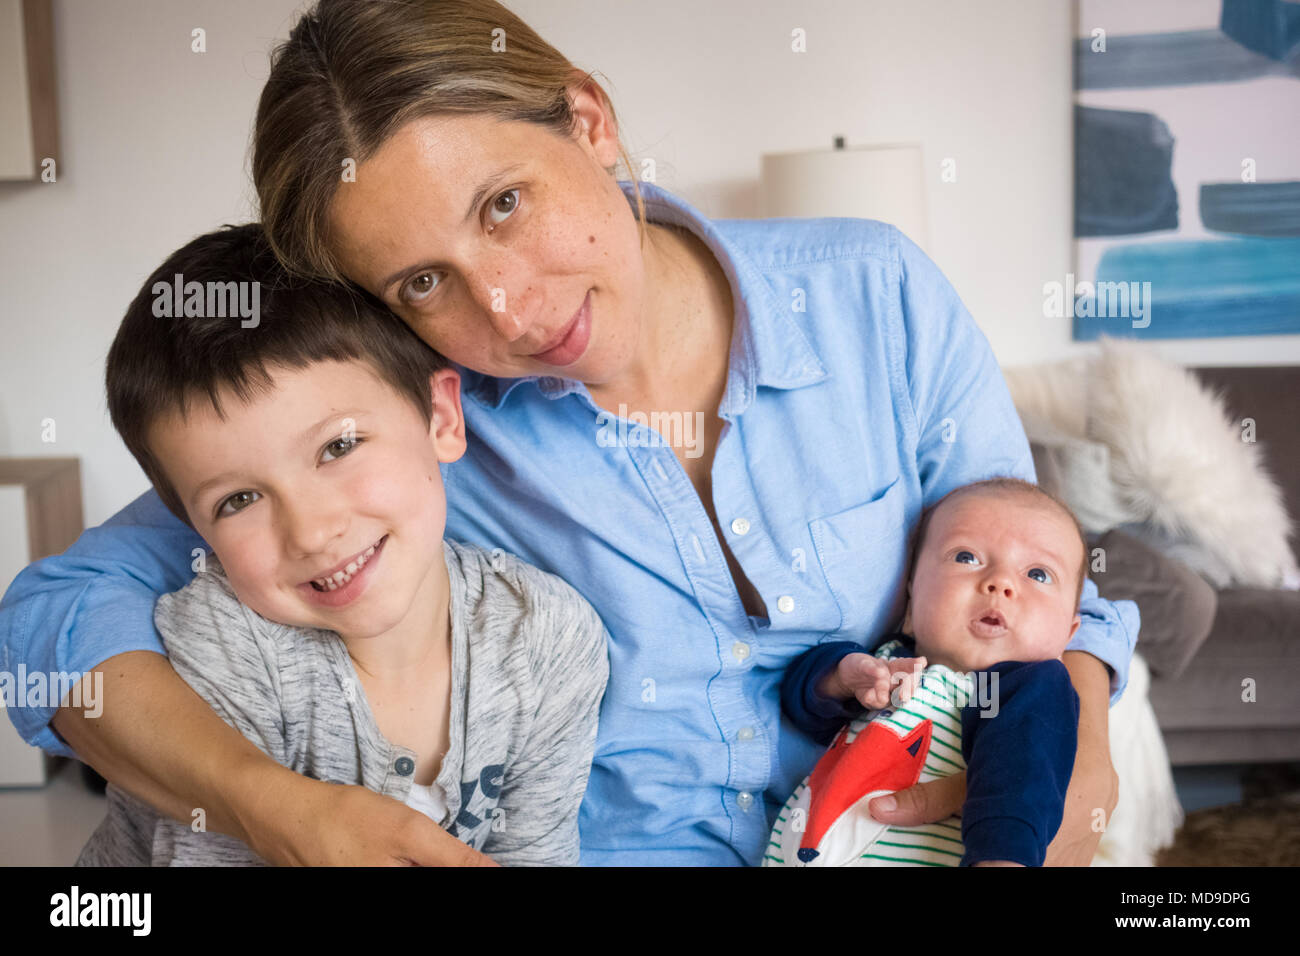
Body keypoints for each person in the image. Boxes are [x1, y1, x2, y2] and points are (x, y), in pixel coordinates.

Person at [0, 0, 1138, 866]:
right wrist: (277, 808)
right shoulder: (405, 424)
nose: (504, 309)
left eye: (504, 204)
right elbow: (49, 628)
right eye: (421, 280)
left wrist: (1059, 778)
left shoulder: (873, 294)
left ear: (588, 122)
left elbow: (1045, 576)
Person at [77, 223, 608, 866]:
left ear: (440, 417)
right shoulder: (221, 652)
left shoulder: (548, 638)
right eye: (238, 500)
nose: (311, 531)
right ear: (192, 523)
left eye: (338, 446)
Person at [766, 477, 1088, 867]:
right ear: (911, 596)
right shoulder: (889, 663)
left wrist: (1004, 859)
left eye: (1038, 574)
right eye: (966, 557)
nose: (999, 583)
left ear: (1066, 636)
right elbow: (802, 708)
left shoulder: (1027, 690)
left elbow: (1022, 784)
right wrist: (839, 677)